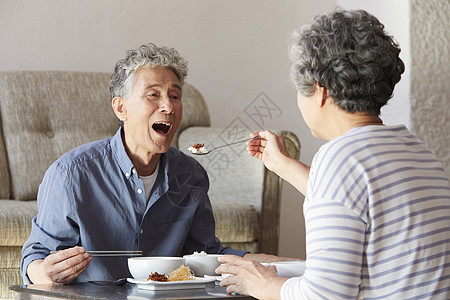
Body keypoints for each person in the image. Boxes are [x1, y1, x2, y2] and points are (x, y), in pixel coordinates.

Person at [216, 9, 450, 300]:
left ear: (320, 91)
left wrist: (261, 285)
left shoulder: (339, 159)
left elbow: (326, 294)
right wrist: (282, 165)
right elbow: (357, 202)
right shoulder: (418, 152)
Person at [21, 43, 259, 284]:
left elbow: (204, 253)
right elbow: (36, 256)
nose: (168, 106)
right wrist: (44, 273)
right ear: (121, 108)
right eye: (153, 95)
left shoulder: (191, 175)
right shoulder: (70, 175)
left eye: (174, 96)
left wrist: (275, 265)